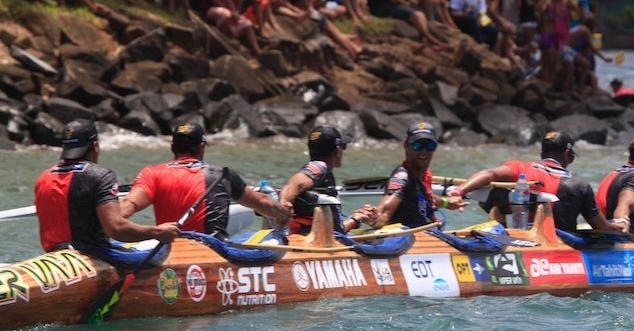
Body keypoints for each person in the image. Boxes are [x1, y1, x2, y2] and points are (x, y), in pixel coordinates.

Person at [121, 121, 291, 238]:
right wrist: (283, 213)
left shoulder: (152, 173)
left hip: (170, 253)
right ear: (201, 147)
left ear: (172, 147)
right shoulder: (222, 175)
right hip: (210, 255)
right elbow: (261, 203)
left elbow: (127, 206)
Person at [34, 119, 179, 254]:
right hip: (91, 257)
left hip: (53, 257)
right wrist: (157, 232)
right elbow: (116, 229)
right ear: (95, 146)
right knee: (160, 252)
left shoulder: (43, 178)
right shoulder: (100, 176)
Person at [456, 131, 622, 233]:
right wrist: (619, 226)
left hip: (518, 236)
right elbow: (601, 228)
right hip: (556, 247)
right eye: (571, 156)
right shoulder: (579, 185)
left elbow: (488, 173)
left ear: (542, 152)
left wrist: (459, 191)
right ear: (566, 154)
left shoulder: (519, 168)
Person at [279, 125, 377, 235]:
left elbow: (333, 231)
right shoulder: (319, 167)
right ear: (338, 150)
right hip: (312, 243)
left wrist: (356, 219)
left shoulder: (320, 173)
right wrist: (356, 219)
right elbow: (295, 184)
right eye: (343, 147)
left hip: (312, 236)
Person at [371, 122, 466, 229]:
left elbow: (426, 197)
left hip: (429, 231)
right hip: (409, 236)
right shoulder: (401, 177)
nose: (424, 151)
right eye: (417, 145)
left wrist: (446, 202)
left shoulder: (424, 174)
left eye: (430, 146)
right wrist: (376, 218)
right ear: (406, 146)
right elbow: (385, 210)